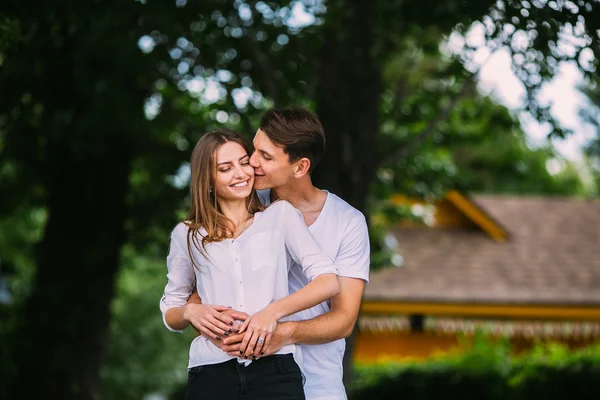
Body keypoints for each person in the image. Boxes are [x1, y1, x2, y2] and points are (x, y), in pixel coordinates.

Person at [196, 107, 370, 400]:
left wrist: (282, 332)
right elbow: (195, 279)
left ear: (300, 167)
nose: (251, 162)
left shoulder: (347, 222)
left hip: (318, 386)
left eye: (266, 157)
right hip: (245, 380)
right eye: (254, 150)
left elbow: (344, 320)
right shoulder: (241, 206)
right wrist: (196, 312)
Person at [160, 128, 341, 400]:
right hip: (210, 372)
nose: (241, 173)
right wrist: (190, 313)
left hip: (275, 369)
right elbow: (171, 309)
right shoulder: (186, 235)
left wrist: (272, 313)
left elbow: (328, 281)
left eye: (244, 162)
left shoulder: (280, 216)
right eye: (225, 168)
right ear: (207, 178)